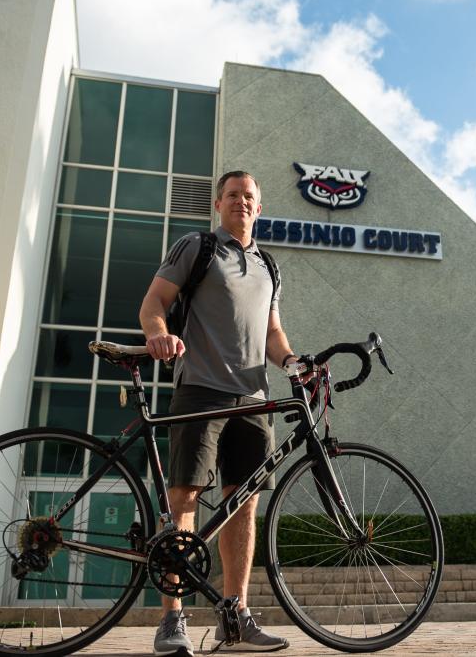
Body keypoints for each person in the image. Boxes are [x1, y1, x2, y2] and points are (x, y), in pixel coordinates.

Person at [139, 170, 301, 656]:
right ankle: (172, 620)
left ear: (259, 206)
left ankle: (236, 618)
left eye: (249, 196)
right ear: (218, 203)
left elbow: (273, 334)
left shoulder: (270, 266)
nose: (242, 202)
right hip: (201, 390)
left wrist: (292, 361)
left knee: (243, 505)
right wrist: (158, 333)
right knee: (183, 497)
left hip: (254, 399)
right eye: (233, 195)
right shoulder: (198, 248)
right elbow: (154, 302)